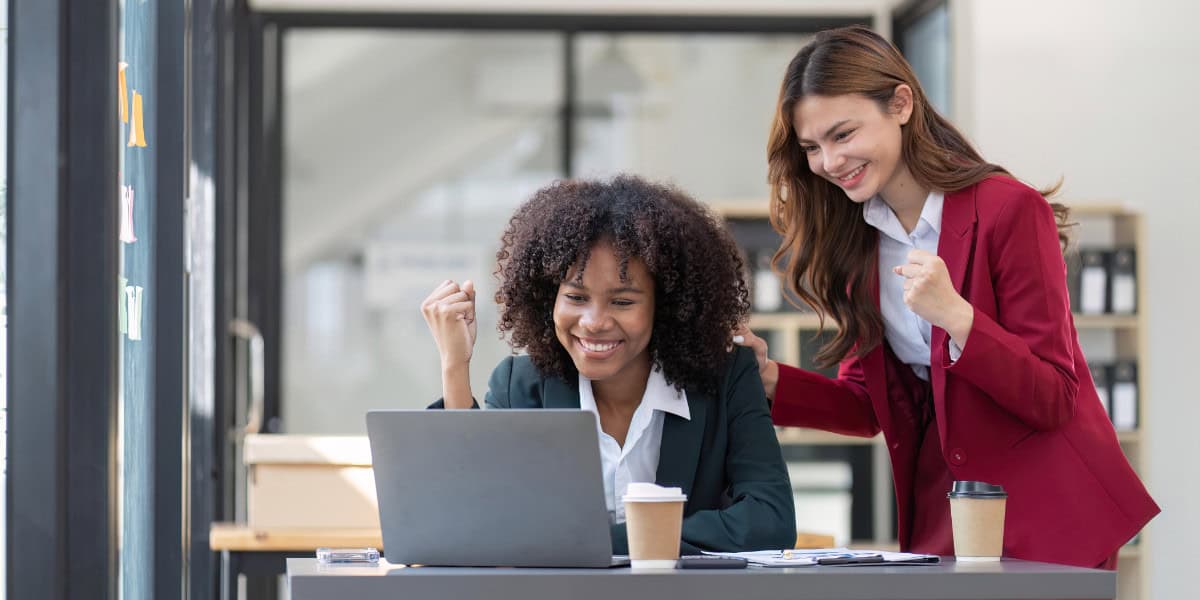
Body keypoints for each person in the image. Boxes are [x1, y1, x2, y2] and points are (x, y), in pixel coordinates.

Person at [733, 25, 1157, 569]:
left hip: (1048, 516)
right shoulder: (858, 243)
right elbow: (870, 407)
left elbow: (1053, 396)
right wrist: (769, 380)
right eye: (812, 147)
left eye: (843, 134)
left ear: (901, 104)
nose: (829, 162)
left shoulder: (1009, 211)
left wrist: (958, 318)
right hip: (947, 518)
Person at [422, 175, 796, 555]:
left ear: (664, 306)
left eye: (622, 301)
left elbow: (769, 521)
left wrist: (601, 541)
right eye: (576, 296)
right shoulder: (521, 385)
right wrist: (455, 366)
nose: (594, 321)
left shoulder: (728, 377)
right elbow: (472, 518)